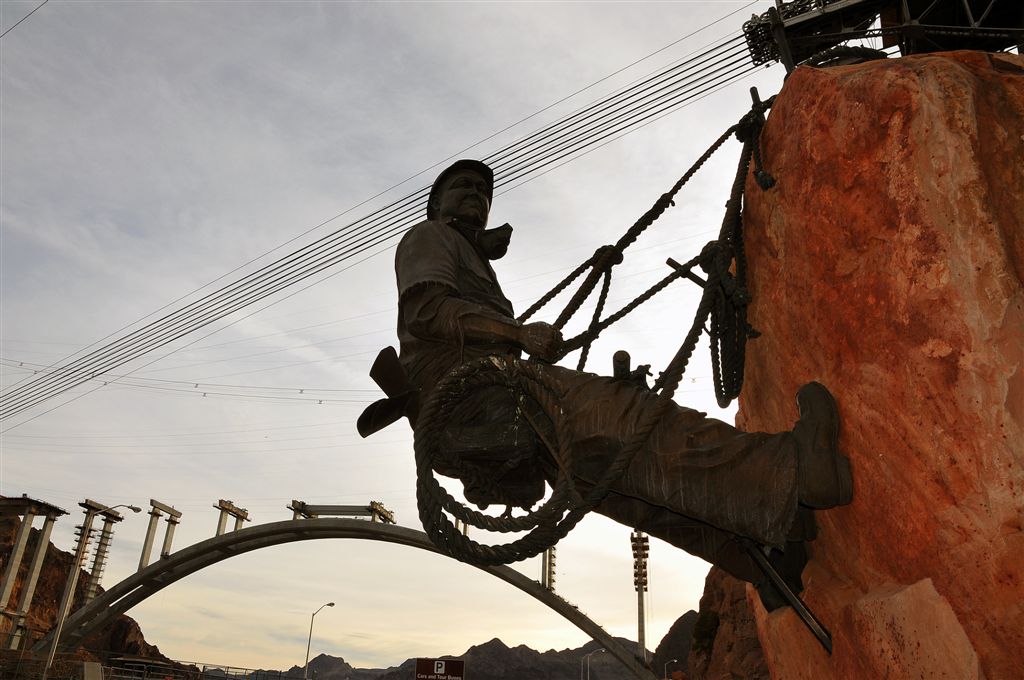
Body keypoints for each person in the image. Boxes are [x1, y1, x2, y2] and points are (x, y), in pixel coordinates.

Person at [359, 160, 853, 595]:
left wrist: (513, 339)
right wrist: (518, 333)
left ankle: (761, 558)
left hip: (480, 410)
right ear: (435, 204)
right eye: (462, 187)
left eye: (483, 192)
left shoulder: (470, 259)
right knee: (630, 419)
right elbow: (427, 309)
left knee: (613, 479)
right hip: (479, 397)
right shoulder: (429, 237)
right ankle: (795, 469)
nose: (476, 196)